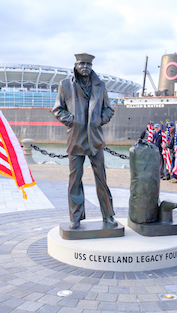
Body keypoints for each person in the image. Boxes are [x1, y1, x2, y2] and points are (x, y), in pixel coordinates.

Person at [52, 53, 117, 230]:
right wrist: (72, 120)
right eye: (82, 63)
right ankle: (75, 217)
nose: (85, 67)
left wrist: (99, 120)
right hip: (76, 138)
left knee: (102, 180)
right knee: (75, 180)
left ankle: (108, 216)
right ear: (76, 64)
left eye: (88, 64)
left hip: (95, 139)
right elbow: (57, 109)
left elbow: (109, 109)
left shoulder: (100, 85)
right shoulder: (65, 85)